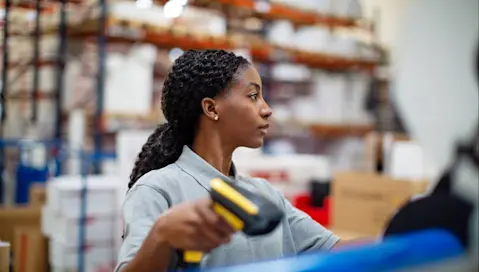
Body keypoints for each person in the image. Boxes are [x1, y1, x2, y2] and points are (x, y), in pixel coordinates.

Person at [115, 49, 342, 272]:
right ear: (212, 108)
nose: (267, 110)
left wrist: (379, 243)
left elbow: (333, 249)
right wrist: (162, 236)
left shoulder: (263, 195)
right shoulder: (156, 189)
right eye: (253, 96)